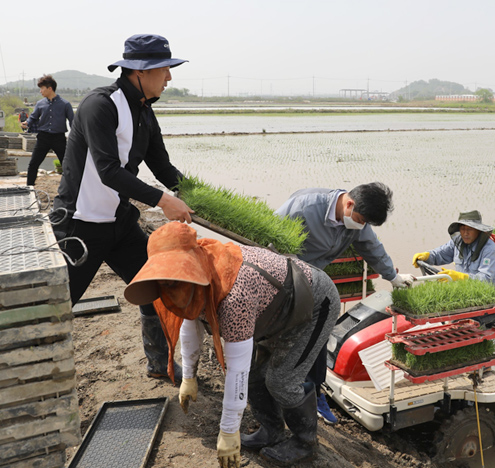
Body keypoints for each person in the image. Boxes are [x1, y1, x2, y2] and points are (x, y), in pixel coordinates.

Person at [123, 222, 340, 467]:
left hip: (313, 305)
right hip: (273, 309)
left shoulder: (233, 295)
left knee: (282, 381)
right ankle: (272, 431)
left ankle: (305, 442)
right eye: (165, 281)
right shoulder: (193, 280)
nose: (169, 288)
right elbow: (190, 322)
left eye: (174, 282)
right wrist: (189, 377)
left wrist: (228, 432)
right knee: (255, 376)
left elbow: (237, 367)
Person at [49, 34, 194, 382]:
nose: (170, 78)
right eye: (164, 70)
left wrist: (196, 197)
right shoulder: (101, 105)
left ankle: (160, 363)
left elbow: (162, 166)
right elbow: (108, 170)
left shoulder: (144, 110)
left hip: (120, 222)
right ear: (140, 72)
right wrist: (163, 200)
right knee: (55, 308)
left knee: (154, 287)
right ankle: (35, 378)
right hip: (80, 225)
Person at [275, 182, 414, 424]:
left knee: (318, 333)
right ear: (349, 204)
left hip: (314, 280)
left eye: (365, 223)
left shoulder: (357, 221)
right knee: (281, 335)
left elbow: (372, 247)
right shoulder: (304, 207)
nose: (361, 226)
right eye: (360, 219)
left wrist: (392, 276)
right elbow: (266, 234)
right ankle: (273, 389)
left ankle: (313, 394)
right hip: (283, 276)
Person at [412, 210, 495, 327]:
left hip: (492, 296)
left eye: (470, 229)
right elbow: (440, 253)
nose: (465, 233)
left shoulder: (489, 250)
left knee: (457, 320)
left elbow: (486, 280)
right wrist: (427, 256)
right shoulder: (458, 242)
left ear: (478, 230)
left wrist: (461, 277)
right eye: (462, 229)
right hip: (466, 291)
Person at [21, 75, 74, 185]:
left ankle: (72, 188)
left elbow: (73, 122)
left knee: (67, 165)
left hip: (59, 138)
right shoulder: (40, 104)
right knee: (33, 164)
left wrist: (77, 137)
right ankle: (29, 187)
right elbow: (33, 117)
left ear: (49, 88)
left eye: (42, 88)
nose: (40, 91)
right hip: (43, 138)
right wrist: (27, 123)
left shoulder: (65, 104)